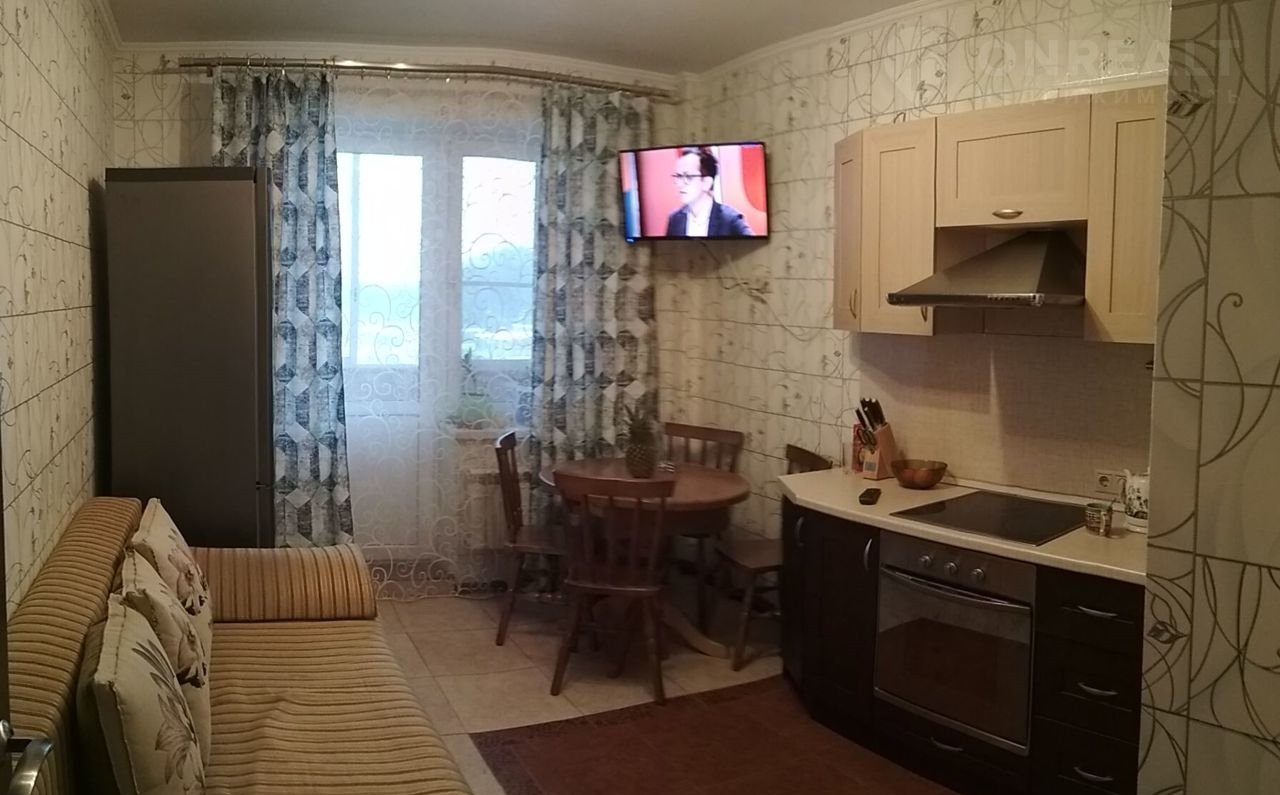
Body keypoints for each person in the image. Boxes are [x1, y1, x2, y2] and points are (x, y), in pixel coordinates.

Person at [665, 147, 753, 237]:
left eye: (688, 177)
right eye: (679, 176)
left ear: (707, 182)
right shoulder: (675, 220)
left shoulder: (730, 220)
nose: (680, 184)